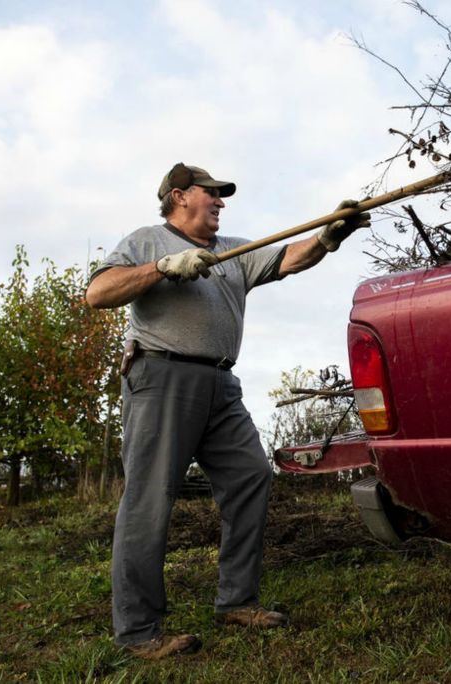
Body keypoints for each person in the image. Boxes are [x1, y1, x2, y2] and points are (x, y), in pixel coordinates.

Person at [85, 162, 370, 660]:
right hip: (160, 378)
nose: (219, 201)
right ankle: (138, 631)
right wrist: (162, 270)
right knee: (150, 501)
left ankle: (236, 601)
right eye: (210, 193)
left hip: (221, 382)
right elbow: (98, 293)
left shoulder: (233, 252)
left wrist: (328, 238)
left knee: (251, 477)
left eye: (221, 196)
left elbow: (290, 258)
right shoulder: (148, 241)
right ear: (179, 197)